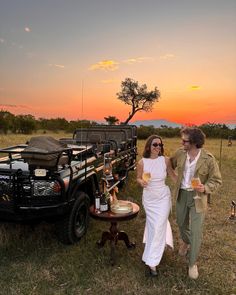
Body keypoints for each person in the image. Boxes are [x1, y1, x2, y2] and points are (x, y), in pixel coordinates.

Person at [170, 127, 222, 280]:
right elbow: (169, 163)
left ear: (194, 142)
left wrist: (205, 187)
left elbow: (217, 180)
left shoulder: (209, 159)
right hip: (182, 194)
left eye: (185, 141)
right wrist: (173, 177)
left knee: (196, 231)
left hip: (198, 197)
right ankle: (186, 242)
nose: (182, 143)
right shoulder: (180, 153)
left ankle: (192, 263)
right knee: (180, 223)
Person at [137, 135, 177, 277]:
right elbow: (138, 178)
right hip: (149, 198)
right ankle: (150, 252)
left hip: (163, 197)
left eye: (160, 145)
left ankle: (152, 262)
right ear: (148, 146)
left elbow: (173, 176)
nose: (158, 147)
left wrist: (187, 182)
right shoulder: (142, 162)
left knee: (159, 225)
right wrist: (142, 182)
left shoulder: (165, 161)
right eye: (155, 145)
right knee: (154, 225)